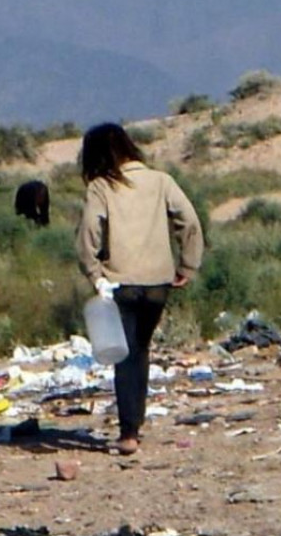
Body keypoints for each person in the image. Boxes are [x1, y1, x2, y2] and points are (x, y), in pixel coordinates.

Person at [75, 122, 204, 455]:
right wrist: (187, 265)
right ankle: (137, 423)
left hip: (121, 281)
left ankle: (128, 432)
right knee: (142, 349)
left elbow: (90, 231)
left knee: (125, 354)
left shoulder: (101, 187)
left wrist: (94, 273)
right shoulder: (161, 181)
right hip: (159, 281)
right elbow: (189, 221)